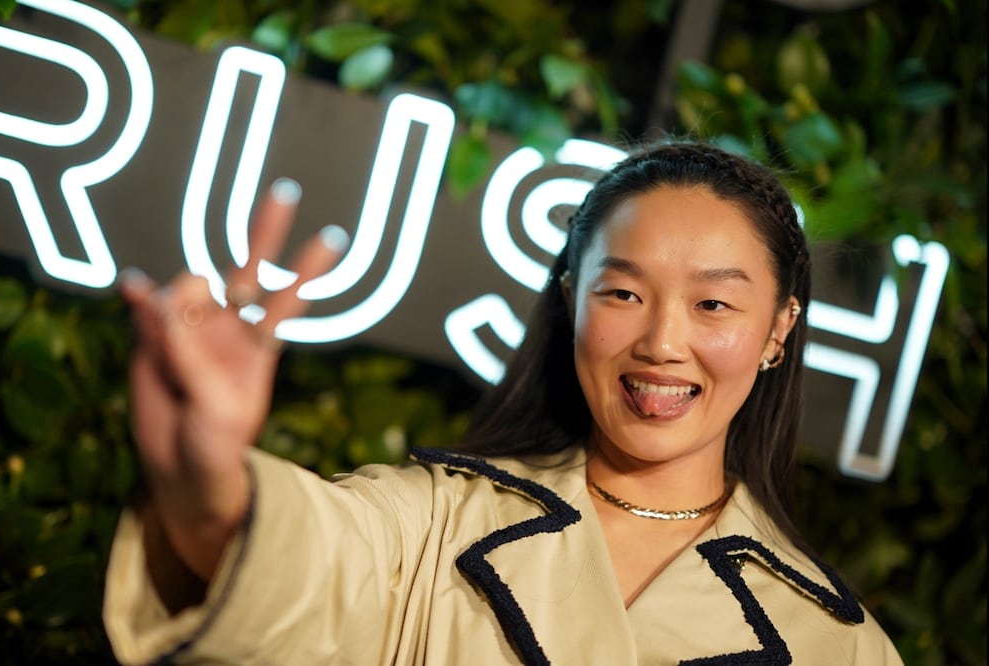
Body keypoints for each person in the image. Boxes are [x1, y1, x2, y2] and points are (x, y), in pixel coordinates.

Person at [103, 141, 903, 664]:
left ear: (778, 329)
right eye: (622, 293)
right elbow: (295, 568)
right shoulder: (430, 526)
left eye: (713, 305)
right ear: (572, 302)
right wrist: (204, 476)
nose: (662, 342)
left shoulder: (841, 645)